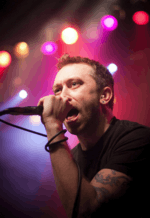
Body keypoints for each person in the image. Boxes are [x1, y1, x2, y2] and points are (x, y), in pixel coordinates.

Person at [37, 54, 150, 218]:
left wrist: (53, 125)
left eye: (74, 84)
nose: (61, 96)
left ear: (104, 96)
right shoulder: (70, 156)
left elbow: (86, 211)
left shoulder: (138, 138)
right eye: (57, 90)